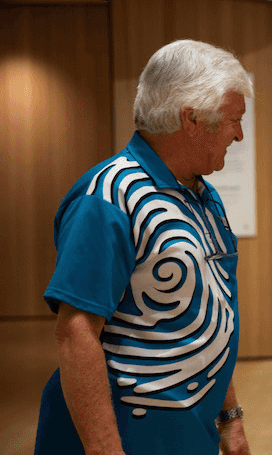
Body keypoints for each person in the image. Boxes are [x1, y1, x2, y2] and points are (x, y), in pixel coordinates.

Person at [34, 39, 252, 455]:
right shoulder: (109, 197)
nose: (239, 134)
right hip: (128, 439)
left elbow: (211, 311)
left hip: (191, 432)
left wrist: (230, 417)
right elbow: (76, 332)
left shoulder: (202, 196)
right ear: (191, 119)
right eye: (233, 120)